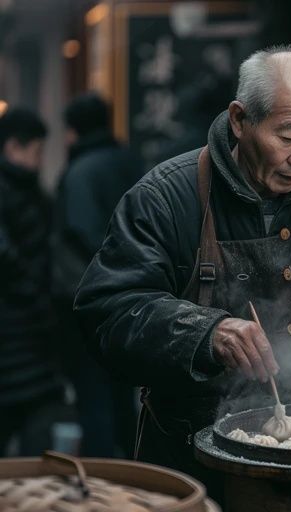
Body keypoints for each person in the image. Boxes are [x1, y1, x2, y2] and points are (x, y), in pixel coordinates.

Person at [74, 46, 291, 496]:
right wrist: (206, 332)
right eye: (289, 135)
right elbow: (106, 311)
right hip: (192, 463)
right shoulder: (166, 199)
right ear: (240, 120)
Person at [52, 93, 142, 457]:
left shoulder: (80, 172)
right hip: (135, 295)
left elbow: (81, 233)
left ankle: (102, 479)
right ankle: (135, 471)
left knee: (93, 395)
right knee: (123, 391)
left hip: (90, 299)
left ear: (73, 131)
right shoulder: (132, 162)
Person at [0, 108, 67, 455]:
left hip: (31, 338)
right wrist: (34, 289)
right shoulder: (18, 192)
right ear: (13, 147)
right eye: (37, 151)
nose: (41, 159)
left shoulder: (29, 191)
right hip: (15, 331)